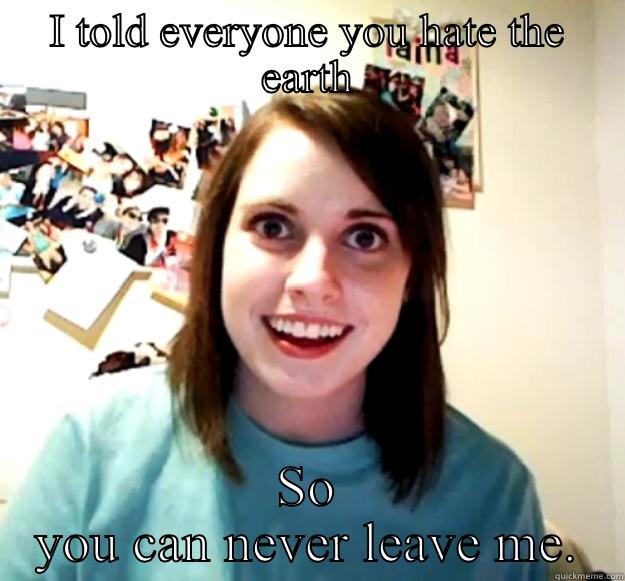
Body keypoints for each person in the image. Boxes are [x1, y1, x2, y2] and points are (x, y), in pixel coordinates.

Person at [0, 91, 547, 580]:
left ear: (412, 277)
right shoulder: (95, 446)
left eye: (365, 236)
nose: (312, 281)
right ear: (218, 250)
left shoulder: (493, 494)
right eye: (273, 227)